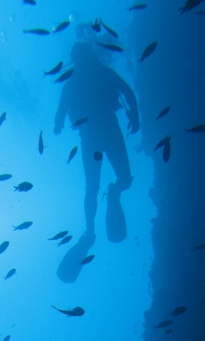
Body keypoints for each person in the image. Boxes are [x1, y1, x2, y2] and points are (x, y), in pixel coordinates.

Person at [54, 40, 139, 244]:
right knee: (95, 187)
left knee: (109, 184)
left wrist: (58, 124)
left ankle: (111, 197)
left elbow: (61, 112)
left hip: (100, 134)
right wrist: (134, 116)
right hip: (99, 135)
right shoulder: (84, 79)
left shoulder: (81, 80)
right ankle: (91, 229)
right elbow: (127, 92)